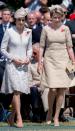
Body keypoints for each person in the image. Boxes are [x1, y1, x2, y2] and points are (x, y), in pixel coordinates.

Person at [37, 5, 75, 126]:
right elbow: (41, 47)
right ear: (51, 17)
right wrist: (39, 62)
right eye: (54, 17)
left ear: (62, 17)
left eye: (59, 17)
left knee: (61, 89)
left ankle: (57, 116)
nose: (57, 19)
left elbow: (69, 47)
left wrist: (73, 61)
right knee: (52, 88)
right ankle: (49, 112)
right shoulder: (46, 29)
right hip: (49, 59)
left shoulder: (66, 29)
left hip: (63, 60)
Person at [0, 7, 32, 128]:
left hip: (23, 65)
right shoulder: (9, 31)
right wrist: (13, 58)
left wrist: (28, 58)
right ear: (15, 20)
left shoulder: (29, 31)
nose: (21, 22)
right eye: (19, 20)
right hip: (12, 65)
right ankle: (19, 117)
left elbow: (29, 49)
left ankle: (11, 116)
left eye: (23, 20)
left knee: (20, 92)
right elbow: (2, 49)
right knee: (16, 91)